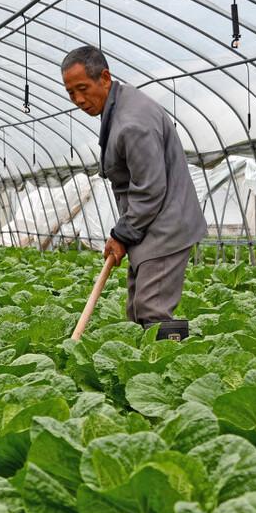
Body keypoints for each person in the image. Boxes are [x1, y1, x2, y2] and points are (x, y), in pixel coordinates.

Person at [61, 45, 207, 329]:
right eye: (70, 93)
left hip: (166, 224)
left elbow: (150, 189)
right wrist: (125, 234)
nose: (78, 99)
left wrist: (122, 233)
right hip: (148, 225)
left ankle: (175, 364)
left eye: (82, 88)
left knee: (151, 311)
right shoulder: (116, 109)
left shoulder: (133, 121)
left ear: (104, 78)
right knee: (137, 310)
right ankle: (151, 365)